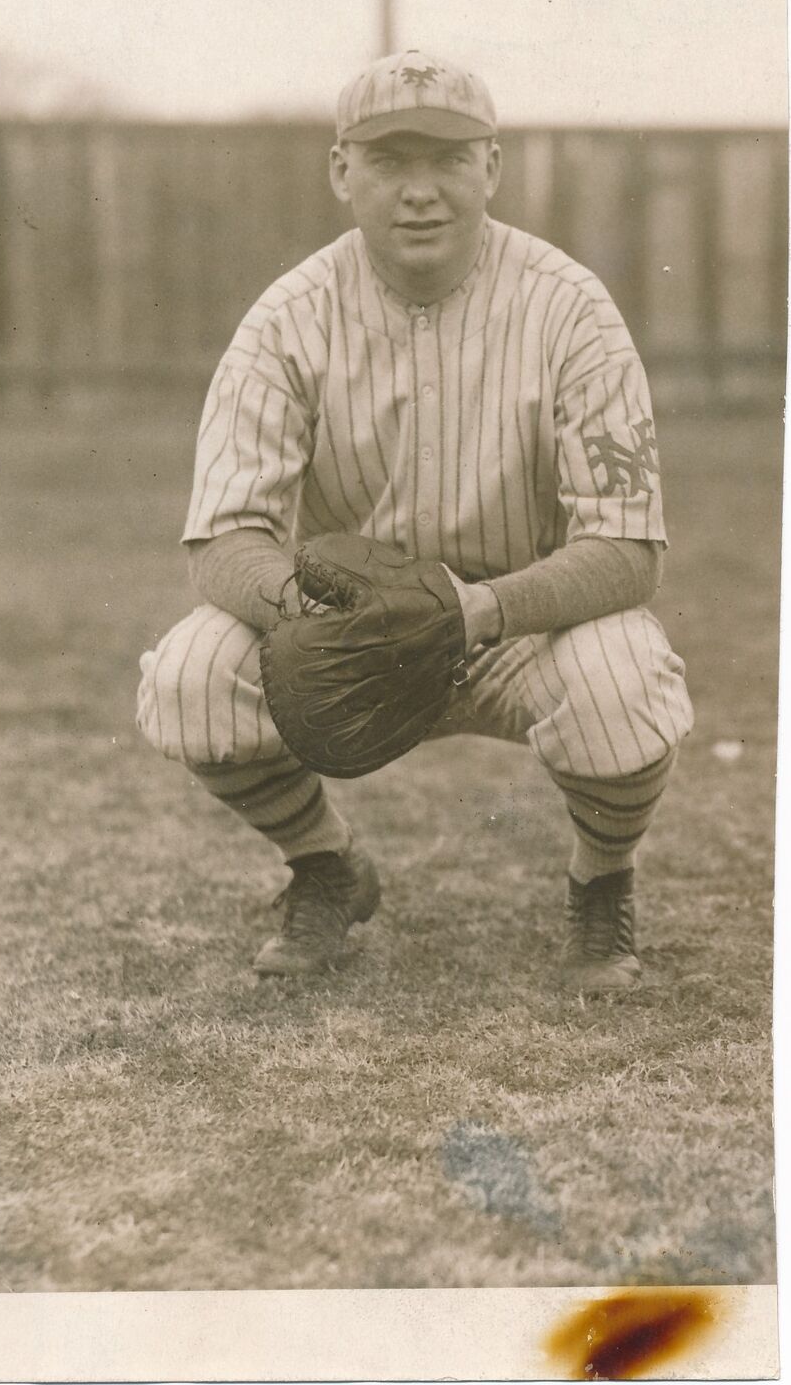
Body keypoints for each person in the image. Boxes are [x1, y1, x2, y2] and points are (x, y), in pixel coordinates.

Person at [136, 49, 693, 994]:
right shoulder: (287, 320)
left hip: (520, 627)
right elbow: (225, 537)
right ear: (342, 172)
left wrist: (473, 612)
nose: (421, 191)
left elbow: (629, 551)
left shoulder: (572, 311)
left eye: (448, 158)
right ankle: (326, 868)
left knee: (624, 682)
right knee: (190, 679)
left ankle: (602, 885)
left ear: (493, 168)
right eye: (391, 161)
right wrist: (311, 612)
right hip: (344, 628)